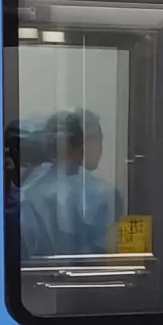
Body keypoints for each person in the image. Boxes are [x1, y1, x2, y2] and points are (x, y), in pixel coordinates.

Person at [18, 108, 122, 258]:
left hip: (36, 279)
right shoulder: (105, 194)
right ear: (86, 141)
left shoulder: (27, 190)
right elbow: (111, 257)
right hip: (92, 280)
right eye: (99, 138)